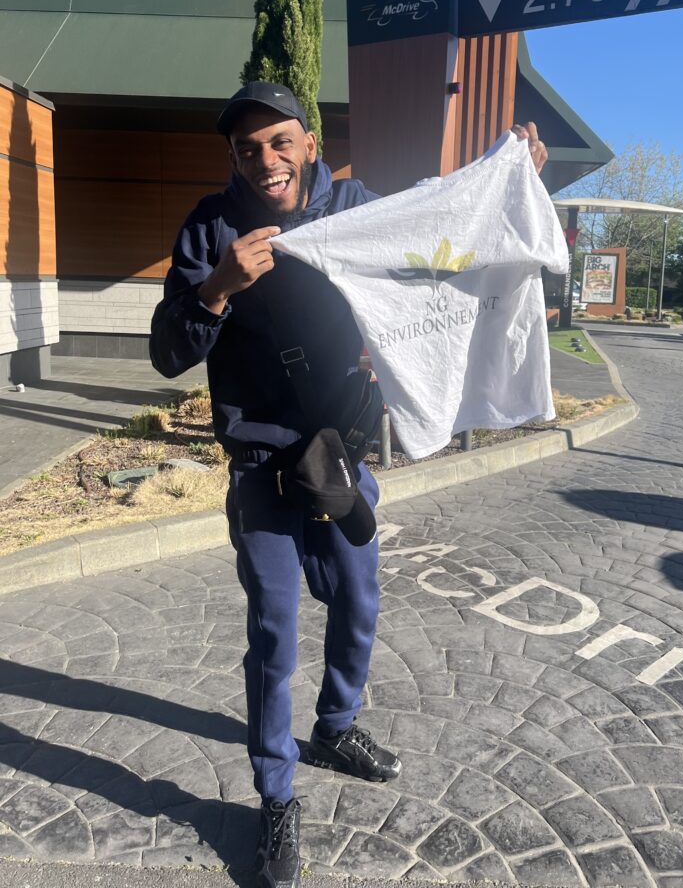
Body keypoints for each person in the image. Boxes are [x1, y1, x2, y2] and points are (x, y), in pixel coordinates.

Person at [149, 81, 547, 888]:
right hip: (261, 464)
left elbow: (444, 223)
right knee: (274, 626)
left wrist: (514, 179)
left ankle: (336, 725)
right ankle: (276, 794)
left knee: (360, 600)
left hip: (340, 452)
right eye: (248, 148)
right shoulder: (210, 225)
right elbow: (165, 351)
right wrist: (217, 288)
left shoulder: (355, 204)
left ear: (309, 141)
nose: (266, 160)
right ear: (234, 158)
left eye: (281, 141)